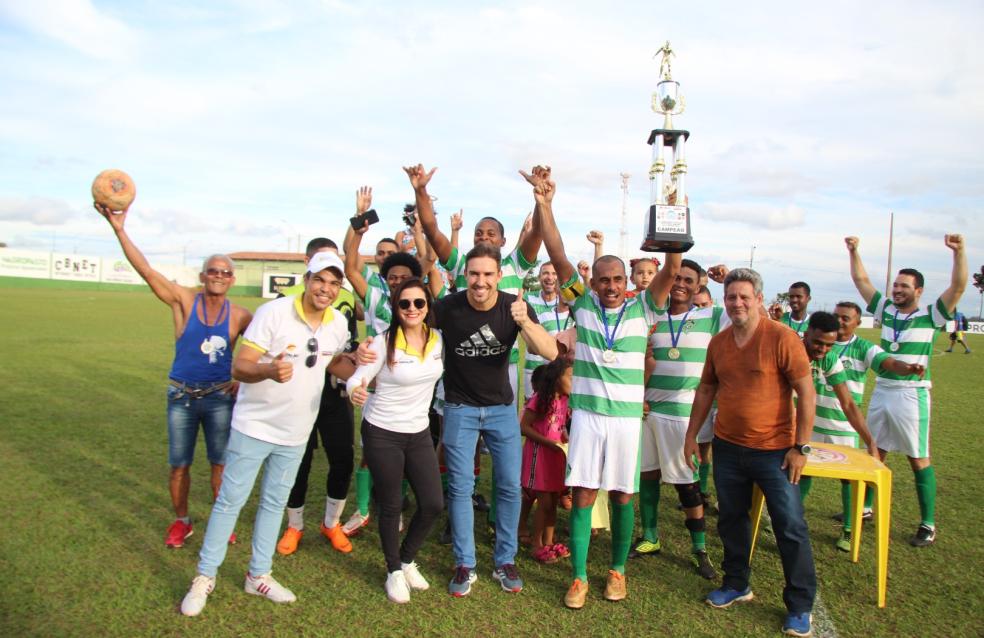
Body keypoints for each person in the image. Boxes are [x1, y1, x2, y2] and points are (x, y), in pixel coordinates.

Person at [521, 165, 680, 609]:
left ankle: (618, 571)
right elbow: (555, 252)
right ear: (592, 284)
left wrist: (673, 216)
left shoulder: (645, 309)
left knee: (624, 494)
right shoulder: (583, 305)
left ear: (627, 284)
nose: (610, 287)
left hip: (628, 420)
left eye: (617, 281)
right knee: (584, 493)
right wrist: (545, 204)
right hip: (588, 418)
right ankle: (578, 579)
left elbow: (671, 268)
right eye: (603, 281)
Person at [180, 252, 354, 616]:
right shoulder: (273, 313)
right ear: (307, 279)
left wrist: (357, 364)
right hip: (255, 427)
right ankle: (204, 576)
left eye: (334, 283)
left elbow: (331, 362)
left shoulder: (337, 322)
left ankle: (258, 574)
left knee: (274, 504)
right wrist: (269, 371)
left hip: (296, 432)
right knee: (230, 502)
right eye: (320, 279)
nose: (326, 288)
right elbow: (240, 366)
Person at [96, 202, 252, 548]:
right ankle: (182, 521)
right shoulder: (183, 300)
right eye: (213, 271)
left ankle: (221, 521)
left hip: (218, 399)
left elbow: (262, 345)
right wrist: (119, 228)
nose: (219, 276)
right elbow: (147, 270)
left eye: (226, 272)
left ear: (232, 279)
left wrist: (242, 376)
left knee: (220, 466)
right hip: (181, 396)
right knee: (179, 465)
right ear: (202, 276)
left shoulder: (240, 315)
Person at [683, 267, 817, 638]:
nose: (737, 303)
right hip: (728, 447)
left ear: (759, 299)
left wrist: (800, 447)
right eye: (731, 297)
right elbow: (706, 390)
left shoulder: (782, 338)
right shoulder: (720, 342)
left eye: (744, 296)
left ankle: (800, 604)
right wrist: (692, 435)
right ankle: (737, 583)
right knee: (731, 520)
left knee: (790, 527)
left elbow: (806, 393)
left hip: (775, 451)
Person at [845, 234, 968, 547]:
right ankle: (867, 507)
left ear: (919, 291)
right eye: (895, 286)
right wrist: (854, 250)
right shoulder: (886, 309)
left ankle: (928, 523)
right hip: (883, 389)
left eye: (904, 286)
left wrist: (959, 252)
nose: (897, 290)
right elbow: (861, 280)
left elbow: (958, 287)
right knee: (875, 450)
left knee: (918, 457)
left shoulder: (933, 315)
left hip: (912, 395)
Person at [346, 278, 445, 603]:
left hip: (418, 432)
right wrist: (355, 390)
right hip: (382, 431)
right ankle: (393, 571)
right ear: (396, 308)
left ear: (428, 305)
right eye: (405, 304)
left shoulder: (438, 341)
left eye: (419, 303)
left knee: (432, 503)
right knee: (390, 505)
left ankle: (406, 559)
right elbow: (357, 377)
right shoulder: (381, 343)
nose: (412, 309)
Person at [634, 258, 727, 581]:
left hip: (683, 412)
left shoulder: (709, 315)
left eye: (689, 280)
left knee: (686, 483)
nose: (681, 285)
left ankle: (699, 548)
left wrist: (726, 280)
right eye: (677, 278)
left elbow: (743, 311)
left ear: (699, 284)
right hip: (647, 409)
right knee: (647, 475)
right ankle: (650, 536)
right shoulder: (650, 315)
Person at [344, 192, 431, 536]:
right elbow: (351, 267)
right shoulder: (376, 296)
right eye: (391, 276)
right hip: (377, 387)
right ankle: (365, 508)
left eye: (402, 277)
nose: (396, 281)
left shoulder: (419, 303)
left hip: (412, 388)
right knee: (371, 452)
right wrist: (358, 225)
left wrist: (420, 229)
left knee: (410, 453)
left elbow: (427, 258)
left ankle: (394, 506)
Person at [811, 304, 925, 549]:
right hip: (809, 422)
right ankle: (789, 521)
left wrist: (907, 369)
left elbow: (888, 364)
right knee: (801, 473)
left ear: (857, 322)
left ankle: (850, 529)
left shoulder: (860, 347)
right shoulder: (807, 346)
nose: (840, 322)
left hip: (842, 426)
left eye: (846, 318)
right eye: (836, 317)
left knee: (849, 480)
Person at [275, 237, 360, 555]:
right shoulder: (288, 299)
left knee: (342, 459)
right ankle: (294, 525)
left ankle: (331, 522)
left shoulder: (346, 299)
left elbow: (345, 347)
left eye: (332, 276)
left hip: (335, 392)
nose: (326, 285)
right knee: (298, 460)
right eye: (319, 273)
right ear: (308, 267)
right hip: (297, 393)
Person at [520, 359, 573, 564]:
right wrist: (548, 442)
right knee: (544, 502)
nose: (573, 380)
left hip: (555, 455)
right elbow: (524, 427)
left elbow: (559, 425)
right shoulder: (540, 399)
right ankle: (536, 544)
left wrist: (563, 438)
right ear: (556, 378)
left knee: (553, 501)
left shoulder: (566, 400)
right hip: (539, 455)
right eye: (570, 376)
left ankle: (549, 542)